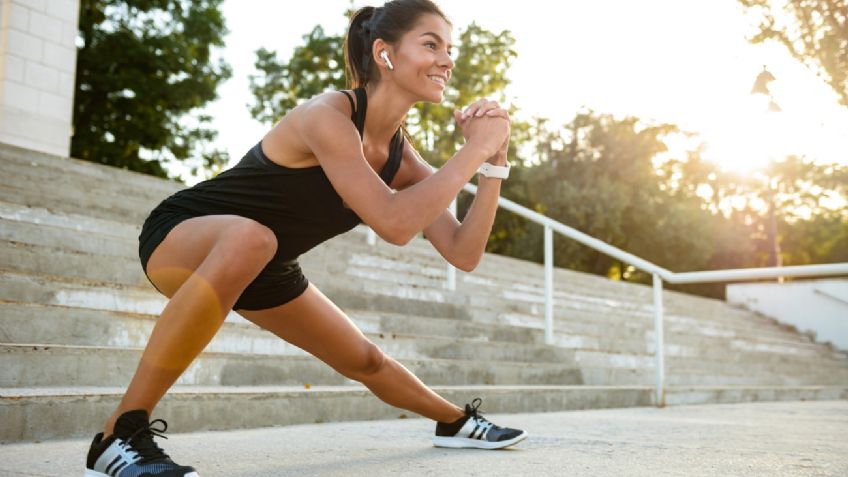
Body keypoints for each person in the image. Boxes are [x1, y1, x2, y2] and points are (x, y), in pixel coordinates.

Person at [84, 1, 526, 475]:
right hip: (184, 235)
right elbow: (395, 225)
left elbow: (464, 253)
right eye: (431, 44)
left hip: (262, 260)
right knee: (252, 239)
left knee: (366, 359)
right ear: (385, 53)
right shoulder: (327, 116)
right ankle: (118, 435)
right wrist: (475, 145)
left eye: (449, 48)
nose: (447, 59)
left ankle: (455, 422)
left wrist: (492, 165)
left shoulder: (402, 158)